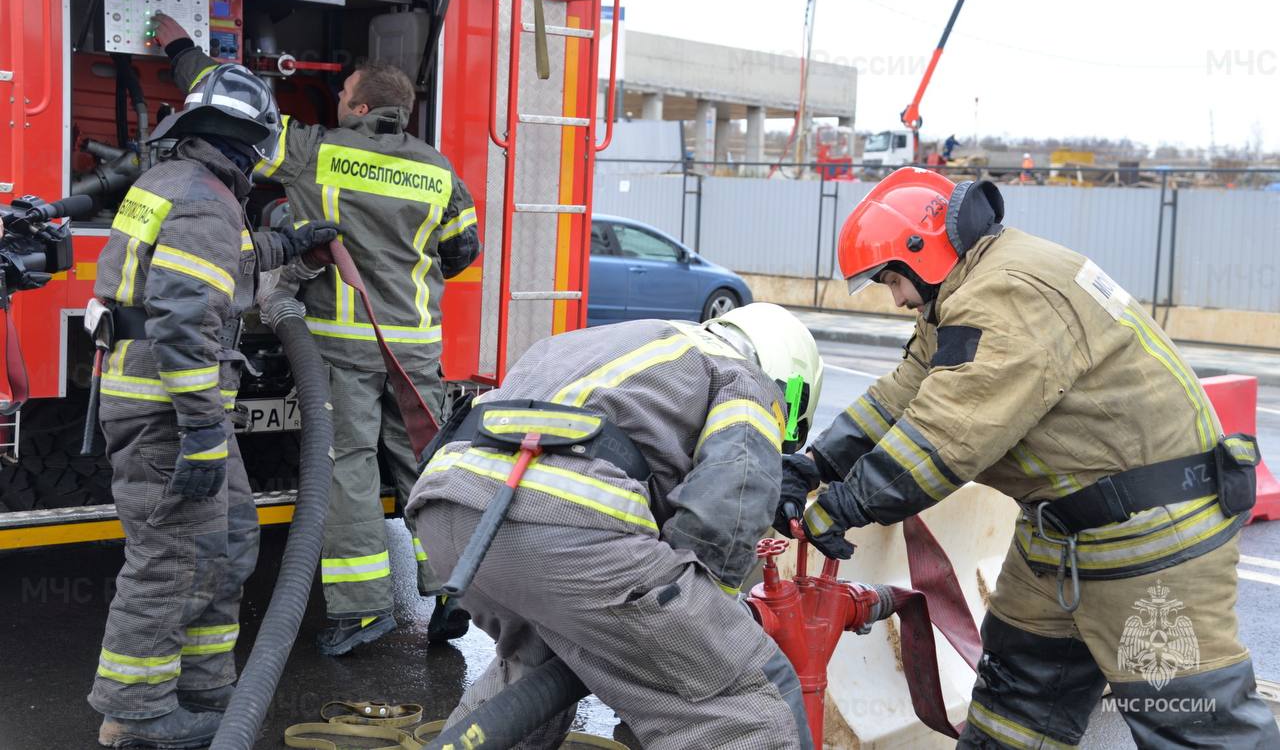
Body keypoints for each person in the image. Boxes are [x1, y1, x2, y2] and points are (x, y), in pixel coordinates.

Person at [781, 166, 1278, 749]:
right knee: (1015, 705)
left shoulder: (1008, 294)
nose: (895, 298)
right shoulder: (967, 294)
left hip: (1150, 539)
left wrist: (841, 507)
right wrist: (815, 467)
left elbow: (948, 435)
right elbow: (903, 395)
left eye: (893, 279)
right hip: (1062, 536)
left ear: (924, 252)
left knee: (1194, 725)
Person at [153, 14, 481, 655]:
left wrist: (179, 47)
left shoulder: (316, 151)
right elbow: (460, 250)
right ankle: (452, 592)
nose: (335, 104)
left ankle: (361, 612)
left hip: (343, 344)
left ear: (359, 106)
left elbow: (231, 116)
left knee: (348, 467)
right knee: (427, 465)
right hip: (415, 348)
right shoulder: (441, 171)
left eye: (341, 97)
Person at [406, 303, 825, 750]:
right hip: (560, 523)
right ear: (789, 383)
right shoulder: (744, 377)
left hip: (448, 508)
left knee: (531, 677)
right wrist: (706, 611)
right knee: (745, 699)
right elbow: (734, 494)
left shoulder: (632, 343)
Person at [88, 64, 338, 748]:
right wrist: (201, 430)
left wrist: (290, 244)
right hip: (171, 412)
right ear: (248, 141)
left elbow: (218, 260)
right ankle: (136, 714)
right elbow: (185, 316)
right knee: (171, 555)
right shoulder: (203, 200)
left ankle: (203, 688)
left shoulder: (180, 185)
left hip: (174, 406)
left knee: (226, 543)